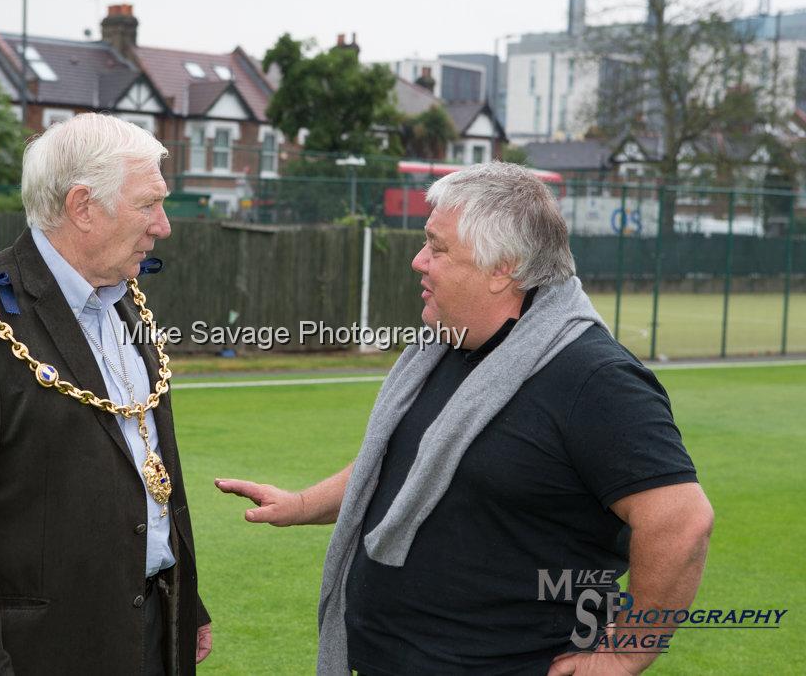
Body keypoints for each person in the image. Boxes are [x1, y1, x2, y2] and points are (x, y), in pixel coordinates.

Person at [216, 162, 713, 675]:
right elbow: (401, 463)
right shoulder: (447, 346)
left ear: (504, 267)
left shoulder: (594, 378)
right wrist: (300, 504)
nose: (418, 261)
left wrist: (625, 652)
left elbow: (681, 522)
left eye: (437, 247)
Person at [0, 114, 211, 675]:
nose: (163, 226)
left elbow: (147, 464)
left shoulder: (126, 301)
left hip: (147, 626)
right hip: (34, 651)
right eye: (148, 205)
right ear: (82, 206)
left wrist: (186, 596)